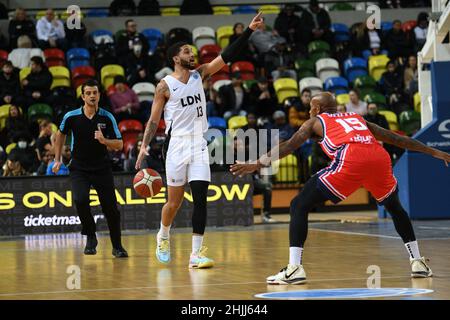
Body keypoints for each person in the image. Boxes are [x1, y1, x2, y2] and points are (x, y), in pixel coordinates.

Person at [231, 92, 450, 284]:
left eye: (310, 108)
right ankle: (417, 262)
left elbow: (289, 145)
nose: (309, 111)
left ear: (317, 108)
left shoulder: (315, 121)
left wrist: (258, 163)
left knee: (299, 204)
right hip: (378, 157)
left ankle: (294, 268)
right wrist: (435, 152)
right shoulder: (357, 118)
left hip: (351, 157)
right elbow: (395, 138)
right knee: (394, 207)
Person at [135, 13, 264, 269]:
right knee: (174, 202)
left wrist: (249, 30)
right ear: (175, 58)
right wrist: (143, 148)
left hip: (198, 144)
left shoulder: (200, 74)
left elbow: (228, 55)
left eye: (192, 51)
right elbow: (152, 121)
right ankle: (163, 235)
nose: (192, 54)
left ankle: (195, 254)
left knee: (201, 198)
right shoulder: (164, 86)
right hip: (176, 145)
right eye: (186, 51)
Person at [52, 79, 128, 258]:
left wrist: (104, 141)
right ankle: (90, 235)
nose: (92, 96)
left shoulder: (107, 117)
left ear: (99, 95)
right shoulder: (71, 116)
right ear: (82, 96)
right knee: (80, 200)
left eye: (95, 92)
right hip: (79, 168)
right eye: (88, 93)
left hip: (102, 167)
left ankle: (117, 246)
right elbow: (60, 135)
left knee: (111, 209)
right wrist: (57, 159)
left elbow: (119, 144)